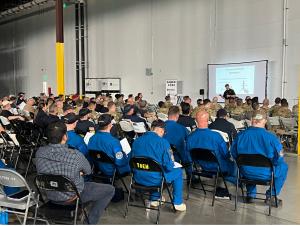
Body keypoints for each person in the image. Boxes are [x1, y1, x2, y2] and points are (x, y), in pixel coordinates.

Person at [35, 121, 114, 224]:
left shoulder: (39, 152)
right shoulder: (75, 155)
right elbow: (88, 171)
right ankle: (90, 223)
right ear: (65, 137)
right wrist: (78, 172)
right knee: (110, 190)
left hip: (49, 194)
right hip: (71, 196)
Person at [231, 110, 288, 205]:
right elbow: (279, 158)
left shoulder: (240, 136)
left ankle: (250, 195)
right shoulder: (272, 137)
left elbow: (233, 153)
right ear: (265, 121)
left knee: (247, 163)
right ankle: (271, 196)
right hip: (266, 173)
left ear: (252, 120)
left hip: (245, 172)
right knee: (284, 167)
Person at [131, 120, 186, 211]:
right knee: (178, 171)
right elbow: (168, 166)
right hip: (155, 180)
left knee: (154, 169)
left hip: (138, 178)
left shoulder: (136, 141)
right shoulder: (163, 142)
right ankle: (177, 203)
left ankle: (155, 198)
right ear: (161, 130)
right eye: (164, 132)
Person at [186, 110, 236, 198]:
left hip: (200, 167)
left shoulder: (190, 137)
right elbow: (225, 154)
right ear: (208, 120)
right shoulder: (216, 136)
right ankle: (225, 187)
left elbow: (188, 156)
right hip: (218, 167)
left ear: (196, 121)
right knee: (235, 166)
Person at [163, 106, 191, 179]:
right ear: (177, 115)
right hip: (176, 157)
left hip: (161, 155)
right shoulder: (181, 128)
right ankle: (191, 176)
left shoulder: (160, 127)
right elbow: (189, 140)